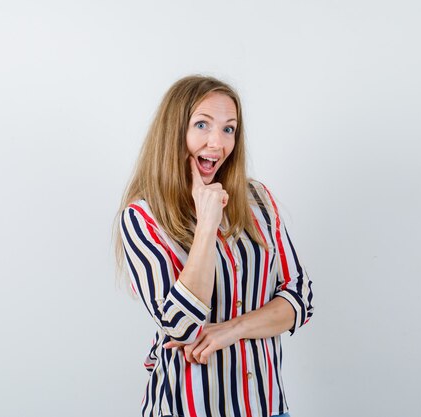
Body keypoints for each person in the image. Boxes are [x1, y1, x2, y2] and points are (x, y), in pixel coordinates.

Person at [115, 75, 313, 417]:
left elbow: (299, 297)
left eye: (228, 129)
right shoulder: (143, 216)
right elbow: (181, 325)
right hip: (190, 407)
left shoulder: (258, 200)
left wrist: (230, 330)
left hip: (266, 406)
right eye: (202, 125)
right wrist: (206, 225)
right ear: (174, 132)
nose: (217, 143)